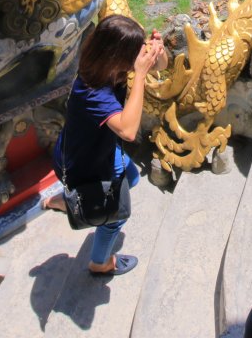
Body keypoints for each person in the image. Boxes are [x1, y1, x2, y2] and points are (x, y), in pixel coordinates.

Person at [47, 14, 167, 276]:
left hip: (95, 151)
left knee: (132, 177)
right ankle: (100, 263)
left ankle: (68, 201)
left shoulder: (106, 68)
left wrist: (159, 51)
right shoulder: (92, 90)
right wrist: (142, 74)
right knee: (117, 215)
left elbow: (160, 66)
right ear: (118, 56)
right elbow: (127, 129)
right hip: (83, 166)